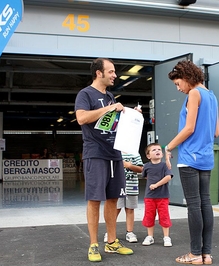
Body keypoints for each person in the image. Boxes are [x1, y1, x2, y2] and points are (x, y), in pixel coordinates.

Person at [75, 58, 133, 262]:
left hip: (114, 154)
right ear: (99, 73)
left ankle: (111, 243)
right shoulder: (85, 94)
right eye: (111, 71)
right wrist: (109, 109)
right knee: (94, 200)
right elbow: (82, 118)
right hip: (95, 153)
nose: (114, 75)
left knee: (113, 199)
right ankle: (93, 245)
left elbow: (111, 124)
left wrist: (131, 117)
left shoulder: (109, 95)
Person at [165, 60, 219, 265]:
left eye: (178, 83)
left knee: (194, 206)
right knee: (205, 203)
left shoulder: (194, 94)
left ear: (187, 78)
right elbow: (216, 132)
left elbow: (188, 129)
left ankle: (195, 253)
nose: (179, 88)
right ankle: (206, 254)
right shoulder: (212, 96)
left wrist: (168, 147)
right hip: (206, 157)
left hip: (190, 157)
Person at [104, 152, 144, 243]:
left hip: (132, 186)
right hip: (118, 186)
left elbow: (141, 169)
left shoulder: (135, 154)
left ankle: (129, 232)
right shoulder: (115, 153)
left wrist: (129, 165)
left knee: (130, 209)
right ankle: (109, 232)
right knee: (115, 209)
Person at [141, 143, 173, 247]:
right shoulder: (146, 166)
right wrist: (152, 184)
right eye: (153, 150)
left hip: (163, 196)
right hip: (149, 196)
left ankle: (166, 237)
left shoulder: (164, 165)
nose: (157, 151)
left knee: (164, 216)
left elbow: (168, 177)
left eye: (159, 149)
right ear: (148, 155)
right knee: (149, 216)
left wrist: (156, 185)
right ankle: (150, 236)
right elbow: (145, 177)